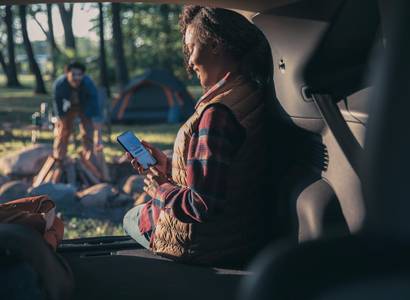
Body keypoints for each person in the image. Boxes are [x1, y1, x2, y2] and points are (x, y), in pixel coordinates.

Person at [123, 6, 270, 266]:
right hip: (240, 232)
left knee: (131, 217)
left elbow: (201, 204)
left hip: (205, 245)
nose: (189, 62)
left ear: (214, 45)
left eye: (191, 48)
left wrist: (161, 188)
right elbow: (228, 172)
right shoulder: (251, 92)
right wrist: (169, 168)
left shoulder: (218, 114)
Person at [52, 61, 100, 160]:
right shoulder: (60, 84)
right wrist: (60, 117)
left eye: (79, 75)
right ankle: (59, 156)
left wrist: (93, 119)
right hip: (68, 107)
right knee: (63, 130)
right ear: (67, 74)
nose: (76, 78)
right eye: (73, 74)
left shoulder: (88, 83)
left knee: (88, 131)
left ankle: (89, 157)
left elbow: (94, 102)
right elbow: (57, 102)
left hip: (85, 107)